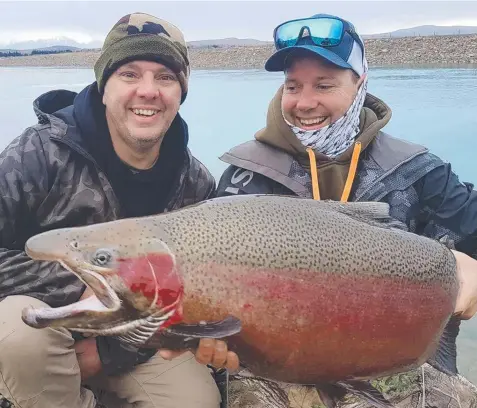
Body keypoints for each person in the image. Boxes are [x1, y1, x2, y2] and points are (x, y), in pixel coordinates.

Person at [216, 13, 477, 407]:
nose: (305, 102)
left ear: (360, 82)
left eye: (324, 85)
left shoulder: (420, 172)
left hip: (393, 361)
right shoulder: (244, 177)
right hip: (274, 366)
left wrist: (470, 265)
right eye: (293, 86)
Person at [0, 12, 238, 408]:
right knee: (18, 333)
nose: (148, 91)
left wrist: (107, 352)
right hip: (41, 330)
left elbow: (187, 298)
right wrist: (90, 284)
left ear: (181, 92)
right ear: (103, 86)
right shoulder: (37, 155)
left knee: (195, 400)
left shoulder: (195, 183)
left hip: (133, 346)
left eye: (165, 77)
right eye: (129, 74)